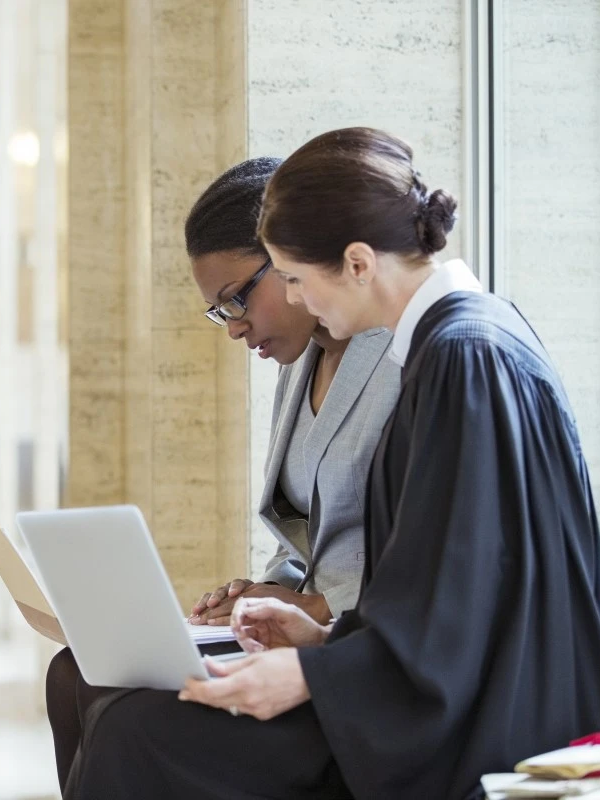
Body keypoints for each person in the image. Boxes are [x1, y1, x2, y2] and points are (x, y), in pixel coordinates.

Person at [63, 127, 600, 800]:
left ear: (358, 263)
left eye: (295, 279)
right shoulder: (458, 345)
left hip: (477, 724)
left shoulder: (464, 359)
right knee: (125, 716)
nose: (298, 302)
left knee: (140, 735)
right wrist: (326, 639)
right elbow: (438, 588)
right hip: (435, 694)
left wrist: (313, 674)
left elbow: (457, 609)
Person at [44, 157, 402, 790]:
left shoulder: (410, 359)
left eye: (238, 299)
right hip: (304, 631)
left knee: (133, 725)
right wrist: (263, 593)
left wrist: (315, 606)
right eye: (219, 311)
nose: (235, 326)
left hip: (359, 660)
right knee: (77, 671)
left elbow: (422, 565)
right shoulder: (300, 359)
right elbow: (316, 532)